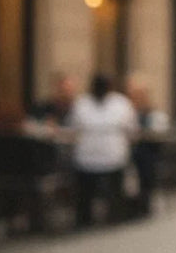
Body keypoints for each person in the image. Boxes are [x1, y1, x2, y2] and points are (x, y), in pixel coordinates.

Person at [68, 74, 137, 227]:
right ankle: (88, 218)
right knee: (87, 191)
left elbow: (130, 129)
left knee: (112, 188)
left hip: (111, 154)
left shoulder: (120, 103)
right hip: (89, 155)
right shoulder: (82, 103)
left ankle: (112, 215)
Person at [126, 74, 169, 218]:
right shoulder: (126, 111)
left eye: (139, 94)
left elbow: (160, 133)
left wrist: (143, 135)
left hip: (147, 152)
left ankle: (144, 203)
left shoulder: (154, 113)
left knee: (145, 162)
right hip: (125, 152)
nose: (136, 97)